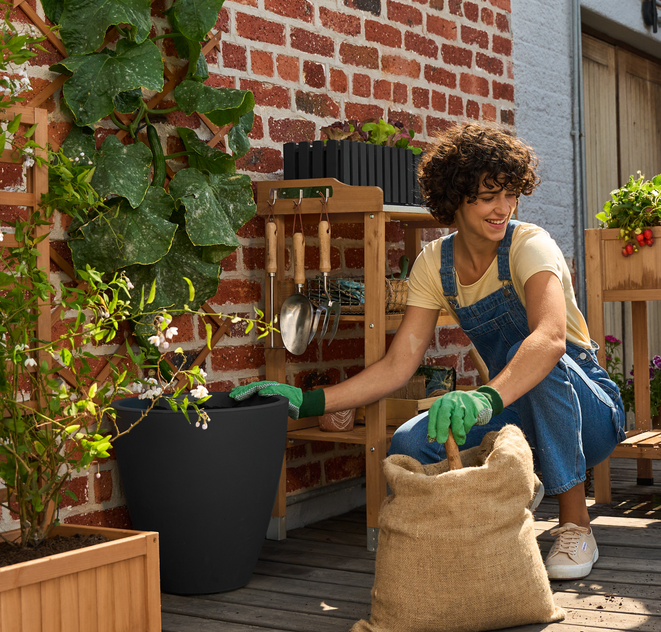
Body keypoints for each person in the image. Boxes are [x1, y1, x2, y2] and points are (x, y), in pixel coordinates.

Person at [231, 123, 627, 580]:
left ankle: (575, 524)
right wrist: (310, 401)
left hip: (589, 415)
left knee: (535, 353)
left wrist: (484, 398)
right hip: (520, 413)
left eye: (511, 194)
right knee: (412, 442)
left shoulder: (528, 244)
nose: (504, 208)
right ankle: (481, 517)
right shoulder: (433, 264)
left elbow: (550, 339)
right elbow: (399, 364)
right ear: (456, 197)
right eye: (487, 197)